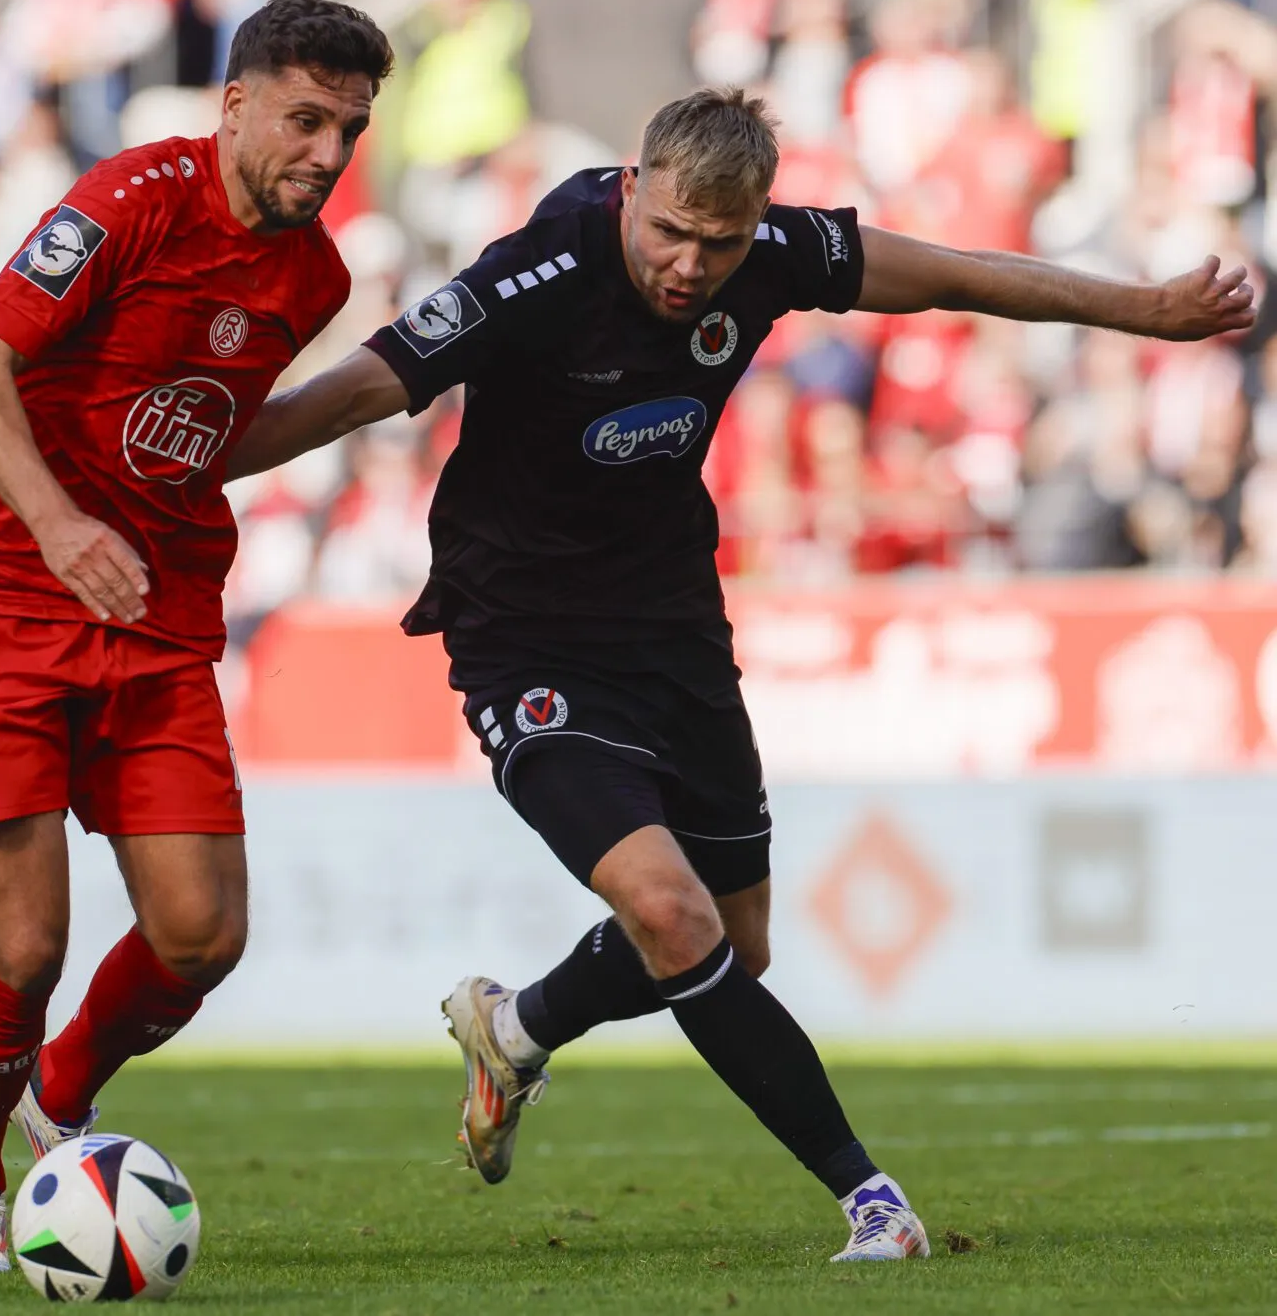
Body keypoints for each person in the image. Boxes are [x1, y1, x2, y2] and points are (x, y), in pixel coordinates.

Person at [226, 87, 1257, 1263]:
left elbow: (956, 276)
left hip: (672, 628)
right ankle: (869, 1197)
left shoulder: (771, 251)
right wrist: (168, 464)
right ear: (631, 186)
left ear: (755, 219)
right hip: (523, 635)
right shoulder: (539, 272)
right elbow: (355, 387)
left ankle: (516, 1027)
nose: (686, 264)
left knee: (735, 942)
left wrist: (1145, 309)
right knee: (669, 913)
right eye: (666, 231)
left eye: (717, 243)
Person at [0, 0, 393, 1274]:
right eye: (304, 121)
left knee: (201, 934)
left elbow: (215, 434)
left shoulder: (316, 276)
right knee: (23, 943)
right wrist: (61, 522)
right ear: (234, 104)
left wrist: (358, 399)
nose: (326, 154)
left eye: (348, 130)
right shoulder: (128, 199)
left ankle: (57, 1094)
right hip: (2, 593)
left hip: (152, 605)